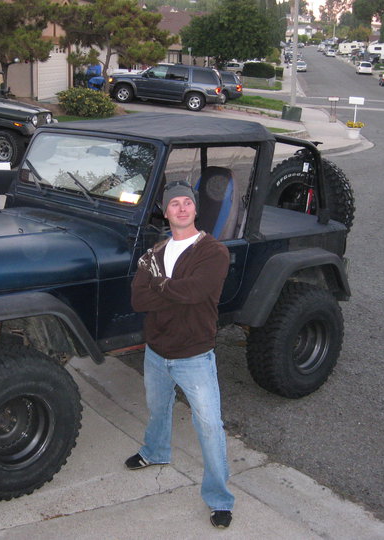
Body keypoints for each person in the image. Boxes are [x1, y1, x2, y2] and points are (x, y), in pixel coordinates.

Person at [126, 180, 234, 529]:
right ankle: (156, 452)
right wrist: (169, 289)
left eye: (188, 202)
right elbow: (138, 300)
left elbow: (195, 292)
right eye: (175, 204)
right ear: (166, 210)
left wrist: (159, 284)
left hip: (194, 355)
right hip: (157, 351)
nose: (182, 208)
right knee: (158, 409)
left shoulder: (213, 253)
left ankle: (219, 498)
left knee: (209, 425)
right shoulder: (155, 253)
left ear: (196, 210)